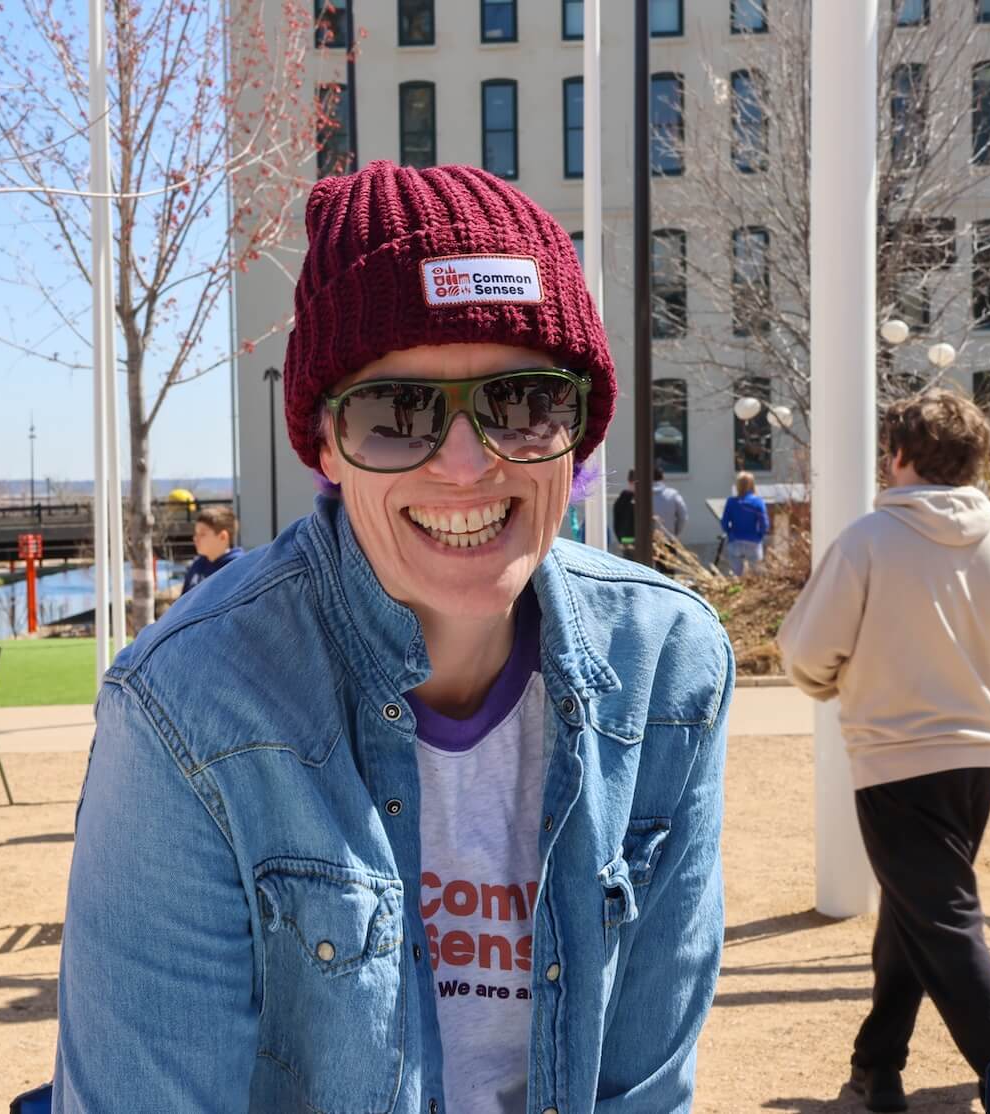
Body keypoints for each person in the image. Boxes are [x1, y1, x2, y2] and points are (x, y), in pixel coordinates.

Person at [50, 161, 733, 1113]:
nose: (466, 464)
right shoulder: (187, 709)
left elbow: (643, 1091)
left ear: (576, 433)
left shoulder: (666, 661)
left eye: (524, 403)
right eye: (394, 414)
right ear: (327, 444)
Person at [777, 389, 990, 1111]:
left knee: (942, 917)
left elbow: (807, 651)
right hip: (980, 758)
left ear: (901, 453)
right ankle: (878, 1064)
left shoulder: (869, 541)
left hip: (894, 754)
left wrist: (833, 686)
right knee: (917, 906)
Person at [182, 506, 245, 595]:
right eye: (196, 533)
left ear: (223, 537)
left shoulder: (239, 568)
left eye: (202, 534)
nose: (195, 538)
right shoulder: (197, 564)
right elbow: (183, 600)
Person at [719, 472, 770, 575]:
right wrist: (759, 536)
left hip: (735, 541)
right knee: (757, 576)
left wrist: (730, 534)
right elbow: (764, 524)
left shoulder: (731, 502)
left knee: (736, 576)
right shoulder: (758, 502)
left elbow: (724, 523)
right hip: (753, 542)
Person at [653, 465, 688, 539]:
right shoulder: (673, 495)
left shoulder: (641, 496)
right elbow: (683, 517)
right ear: (663, 477)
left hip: (645, 541)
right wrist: (675, 533)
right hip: (668, 539)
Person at [611, 469, 636, 555]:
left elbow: (616, 522)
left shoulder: (621, 500)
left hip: (626, 540)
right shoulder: (624, 500)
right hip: (629, 541)